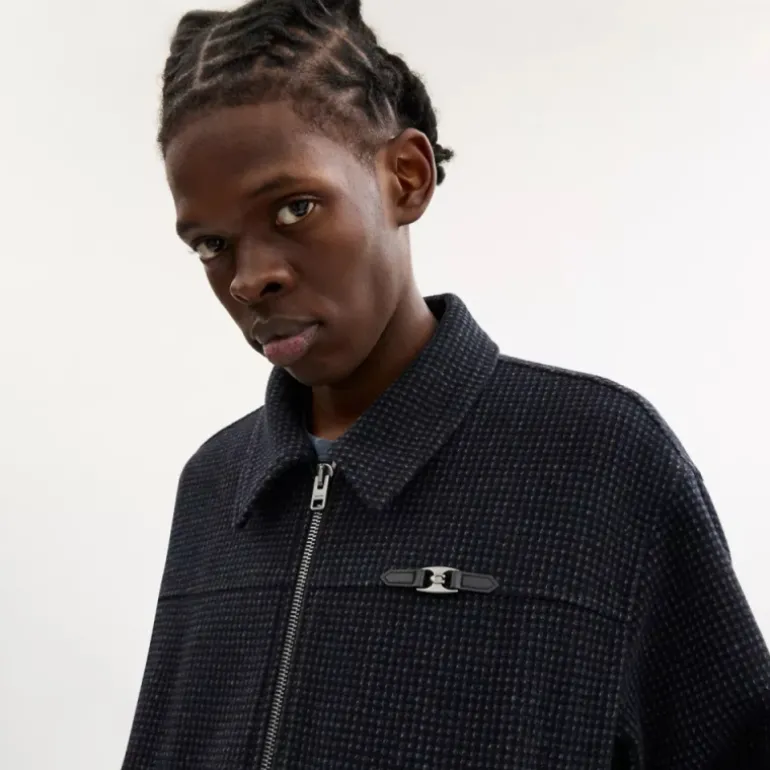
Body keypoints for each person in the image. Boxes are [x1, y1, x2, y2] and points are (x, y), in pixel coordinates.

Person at [122, 1, 770, 767]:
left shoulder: (600, 460)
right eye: (211, 245)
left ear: (406, 177)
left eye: (295, 208)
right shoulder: (216, 485)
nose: (249, 278)